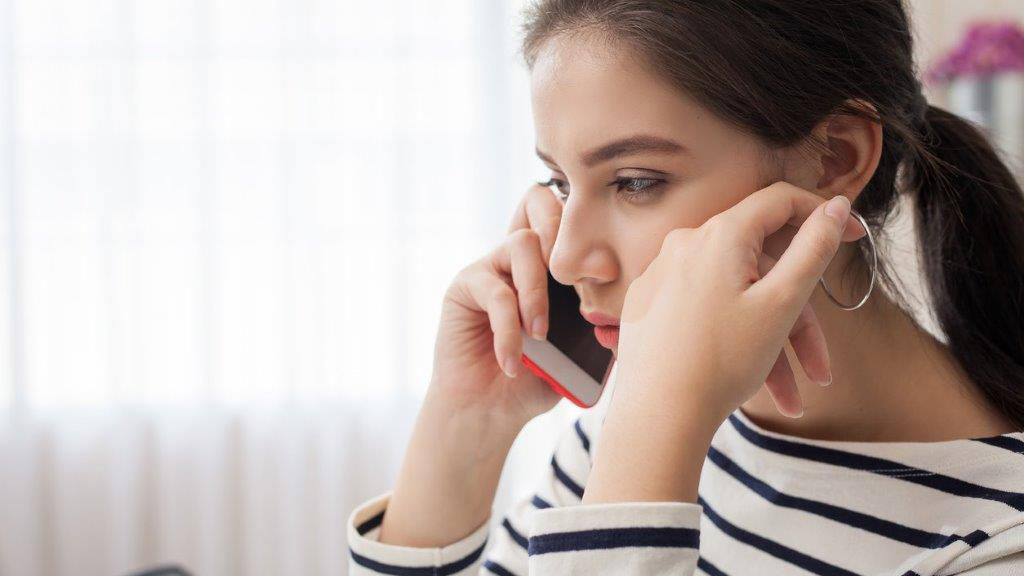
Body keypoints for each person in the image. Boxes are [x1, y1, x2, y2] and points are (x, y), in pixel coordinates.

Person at [347, 0, 1024, 574]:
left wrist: (656, 431)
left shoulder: (996, 545)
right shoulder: (640, 427)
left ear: (835, 158)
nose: (567, 260)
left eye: (636, 181)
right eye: (560, 183)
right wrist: (466, 427)